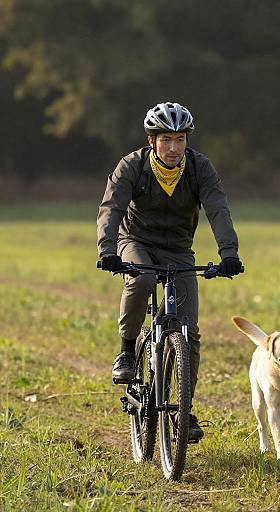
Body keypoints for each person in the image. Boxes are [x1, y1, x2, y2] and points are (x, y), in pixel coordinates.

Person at [97, 101, 243, 442]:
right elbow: (112, 208)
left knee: (188, 332)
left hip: (178, 250)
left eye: (180, 139)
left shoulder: (199, 168)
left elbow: (218, 208)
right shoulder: (131, 167)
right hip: (135, 241)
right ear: (152, 141)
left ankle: (184, 409)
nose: (174, 147)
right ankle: (126, 350)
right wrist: (108, 251)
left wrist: (229, 253)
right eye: (166, 140)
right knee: (144, 277)